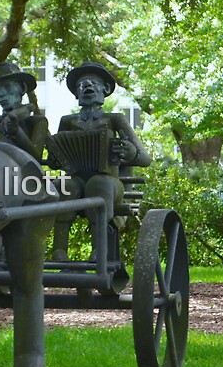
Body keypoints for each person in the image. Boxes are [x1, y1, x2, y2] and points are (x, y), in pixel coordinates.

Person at [49, 61, 151, 263]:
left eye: (93, 83)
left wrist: (130, 153)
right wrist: (54, 158)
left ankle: (99, 250)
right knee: (64, 184)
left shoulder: (115, 120)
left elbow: (144, 158)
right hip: (77, 180)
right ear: (76, 94)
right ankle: (59, 250)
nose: (87, 86)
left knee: (99, 183)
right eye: (81, 84)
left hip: (111, 182)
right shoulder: (67, 121)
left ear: (105, 90)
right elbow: (57, 159)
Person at [0, 62, 50, 164]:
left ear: (22, 88)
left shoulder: (37, 122)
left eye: (7, 87)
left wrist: (17, 132)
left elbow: (34, 161)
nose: (0, 94)